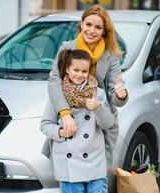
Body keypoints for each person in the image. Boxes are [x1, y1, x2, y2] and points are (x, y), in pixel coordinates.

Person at [48, 4, 128, 168]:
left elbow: (115, 97)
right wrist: (64, 114)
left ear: (104, 31)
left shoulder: (111, 57)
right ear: (81, 24)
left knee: (98, 177)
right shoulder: (67, 48)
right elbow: (55, 79)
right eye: (88, 24)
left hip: (98, 122)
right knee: (70, 173)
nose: (92, 30)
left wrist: (121, 95)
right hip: (71, 119)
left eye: (98, 27)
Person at [40, 49, 114, 193]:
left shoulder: (98, 93)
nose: (80, 74)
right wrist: (61, 132)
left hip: (94, 159)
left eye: (84, 71)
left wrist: (98, 108)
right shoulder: (58, 94)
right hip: (69, 164)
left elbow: (108, 124)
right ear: (67, 69)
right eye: (76, 70)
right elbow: (45, 125)